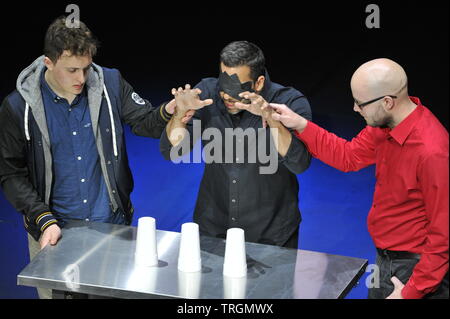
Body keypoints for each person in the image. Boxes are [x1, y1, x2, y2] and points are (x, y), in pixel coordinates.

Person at [0, 16, 183, 298]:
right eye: (72, 70)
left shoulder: (109, 82)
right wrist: (43, 219)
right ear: (48, 62)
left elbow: (145, 121)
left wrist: (169, 110)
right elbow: (11, 175)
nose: (81, 79)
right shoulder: (17, 106)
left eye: (86, 69)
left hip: (110, 228)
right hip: (54, 233)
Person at [267, 58, 449, 299]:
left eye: (360, 103)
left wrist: (411, 293)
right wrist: (300, 124)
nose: (354, 109)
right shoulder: (385, 125)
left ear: (387, 102)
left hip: (415, 271)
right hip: (386, 259)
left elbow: (443, 234)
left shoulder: (432, 151)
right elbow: (348, 156)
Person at [160, 41, 312, 249]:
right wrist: (179, 116)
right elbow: (173, 152)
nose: (226, 96)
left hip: (271, 235)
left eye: (236, 88)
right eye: (223, 86)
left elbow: (299, 163)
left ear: (258, 83)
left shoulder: (289, 102)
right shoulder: (206, 94)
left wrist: (272, 120)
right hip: (213, 230)